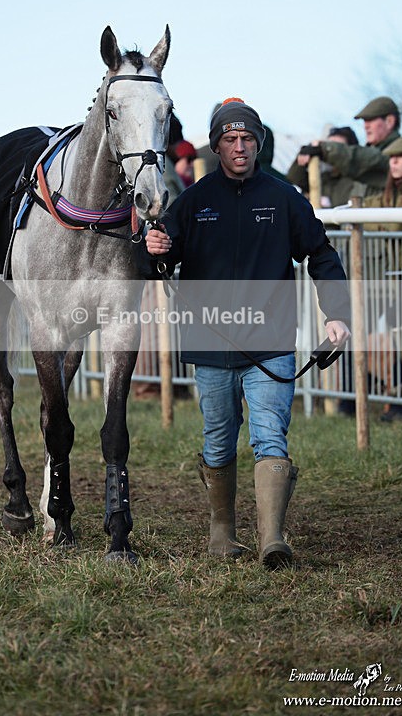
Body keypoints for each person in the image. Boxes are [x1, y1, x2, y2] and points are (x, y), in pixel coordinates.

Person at [138, 98, 351, 569]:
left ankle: (272, 540)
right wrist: (154, 248)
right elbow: (157, 261)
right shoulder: (193, 200)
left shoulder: (285, 198)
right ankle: (222, 533)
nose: (239, 147)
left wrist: (336, 314)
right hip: (210, 346)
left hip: (271, 344)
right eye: (230, 139)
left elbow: (321, 253)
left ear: (258, 144)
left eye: (248, 139)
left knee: (270, 435)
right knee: (218, 439)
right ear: (217, 145)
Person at [363, 135, 402, 423]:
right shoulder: (393, 194)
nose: (394, 163)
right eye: (391, 158)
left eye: (400, 158)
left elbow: (398, 222)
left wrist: (372, 221)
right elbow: (363, 206)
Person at [298, 97, 401, 200]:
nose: (366, 126)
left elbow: (372, 158)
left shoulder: (399, 154)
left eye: (370, 120)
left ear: (389, 121)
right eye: (365, 121)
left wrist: (325, 149)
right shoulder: (362, 163)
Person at [288, 126, 359, 207]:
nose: (330, 151)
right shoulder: (321, 177)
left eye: (336, 147)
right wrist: (307, 151)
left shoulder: (357, 181)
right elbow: (294, 177)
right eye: (328, 145)